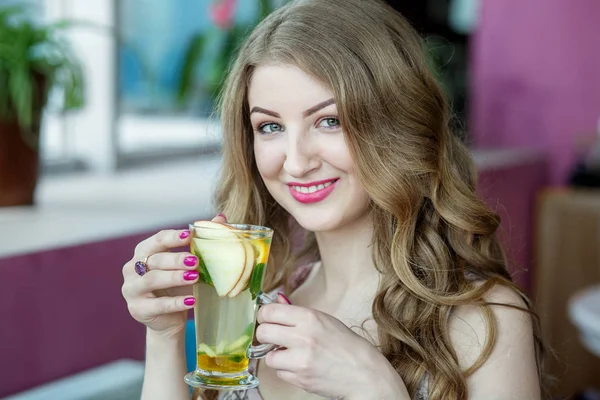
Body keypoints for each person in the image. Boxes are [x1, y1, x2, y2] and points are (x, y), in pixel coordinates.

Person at [121, 0, 548, 399]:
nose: (296, 161)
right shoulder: (257, 305)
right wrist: (163, 336)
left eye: (329, 120)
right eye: (270, 127)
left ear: (395, 126)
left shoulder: (485, 319)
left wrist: (376, 386)